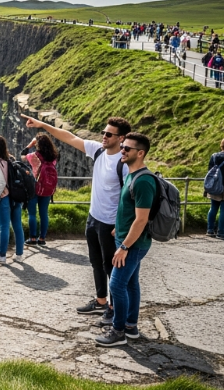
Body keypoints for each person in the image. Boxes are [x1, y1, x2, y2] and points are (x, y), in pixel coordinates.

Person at [24, 116, 131, 326]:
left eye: (109, 134)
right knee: (95, 262)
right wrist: (42, 125)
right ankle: (101, 300)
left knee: (112, 268)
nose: (104, 137)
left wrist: (121, 225)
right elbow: (69, 137)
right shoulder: (98, 151)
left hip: (110, 223)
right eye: (103, 132)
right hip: (93, 218)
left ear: (122, 138)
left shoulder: (124, 163)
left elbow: (130, 197)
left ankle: (113, 308)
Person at [95, 133, 155, 347]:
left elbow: (141, 220)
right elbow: (129, 212)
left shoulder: (144, 181)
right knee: (130, 284)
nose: (122, 150)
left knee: (117, 284)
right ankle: (130, 326)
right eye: (123, 146)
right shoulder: (131, 173)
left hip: (133, 244)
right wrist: (118, 230)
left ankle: (118, 330)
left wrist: (123, 246)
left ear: (140, 153)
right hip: (127, 239)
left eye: (127, 148)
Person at [0, 135, 25, 264]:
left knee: (4, 227)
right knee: (17, 226)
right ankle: (19, 254)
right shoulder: (11, 159)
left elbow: (1, 183)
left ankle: (1, 255)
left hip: (4, 198)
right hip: (16, 197)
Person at [21, 133, 58, 247]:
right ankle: (42, 238)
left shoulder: (34, 156)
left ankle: (32, 238)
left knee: (32, 213)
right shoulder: (54, 156)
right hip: (47, 189)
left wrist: (30, 145)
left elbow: (22, 156)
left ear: (38, 144)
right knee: (44, 213)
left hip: (35, 187)